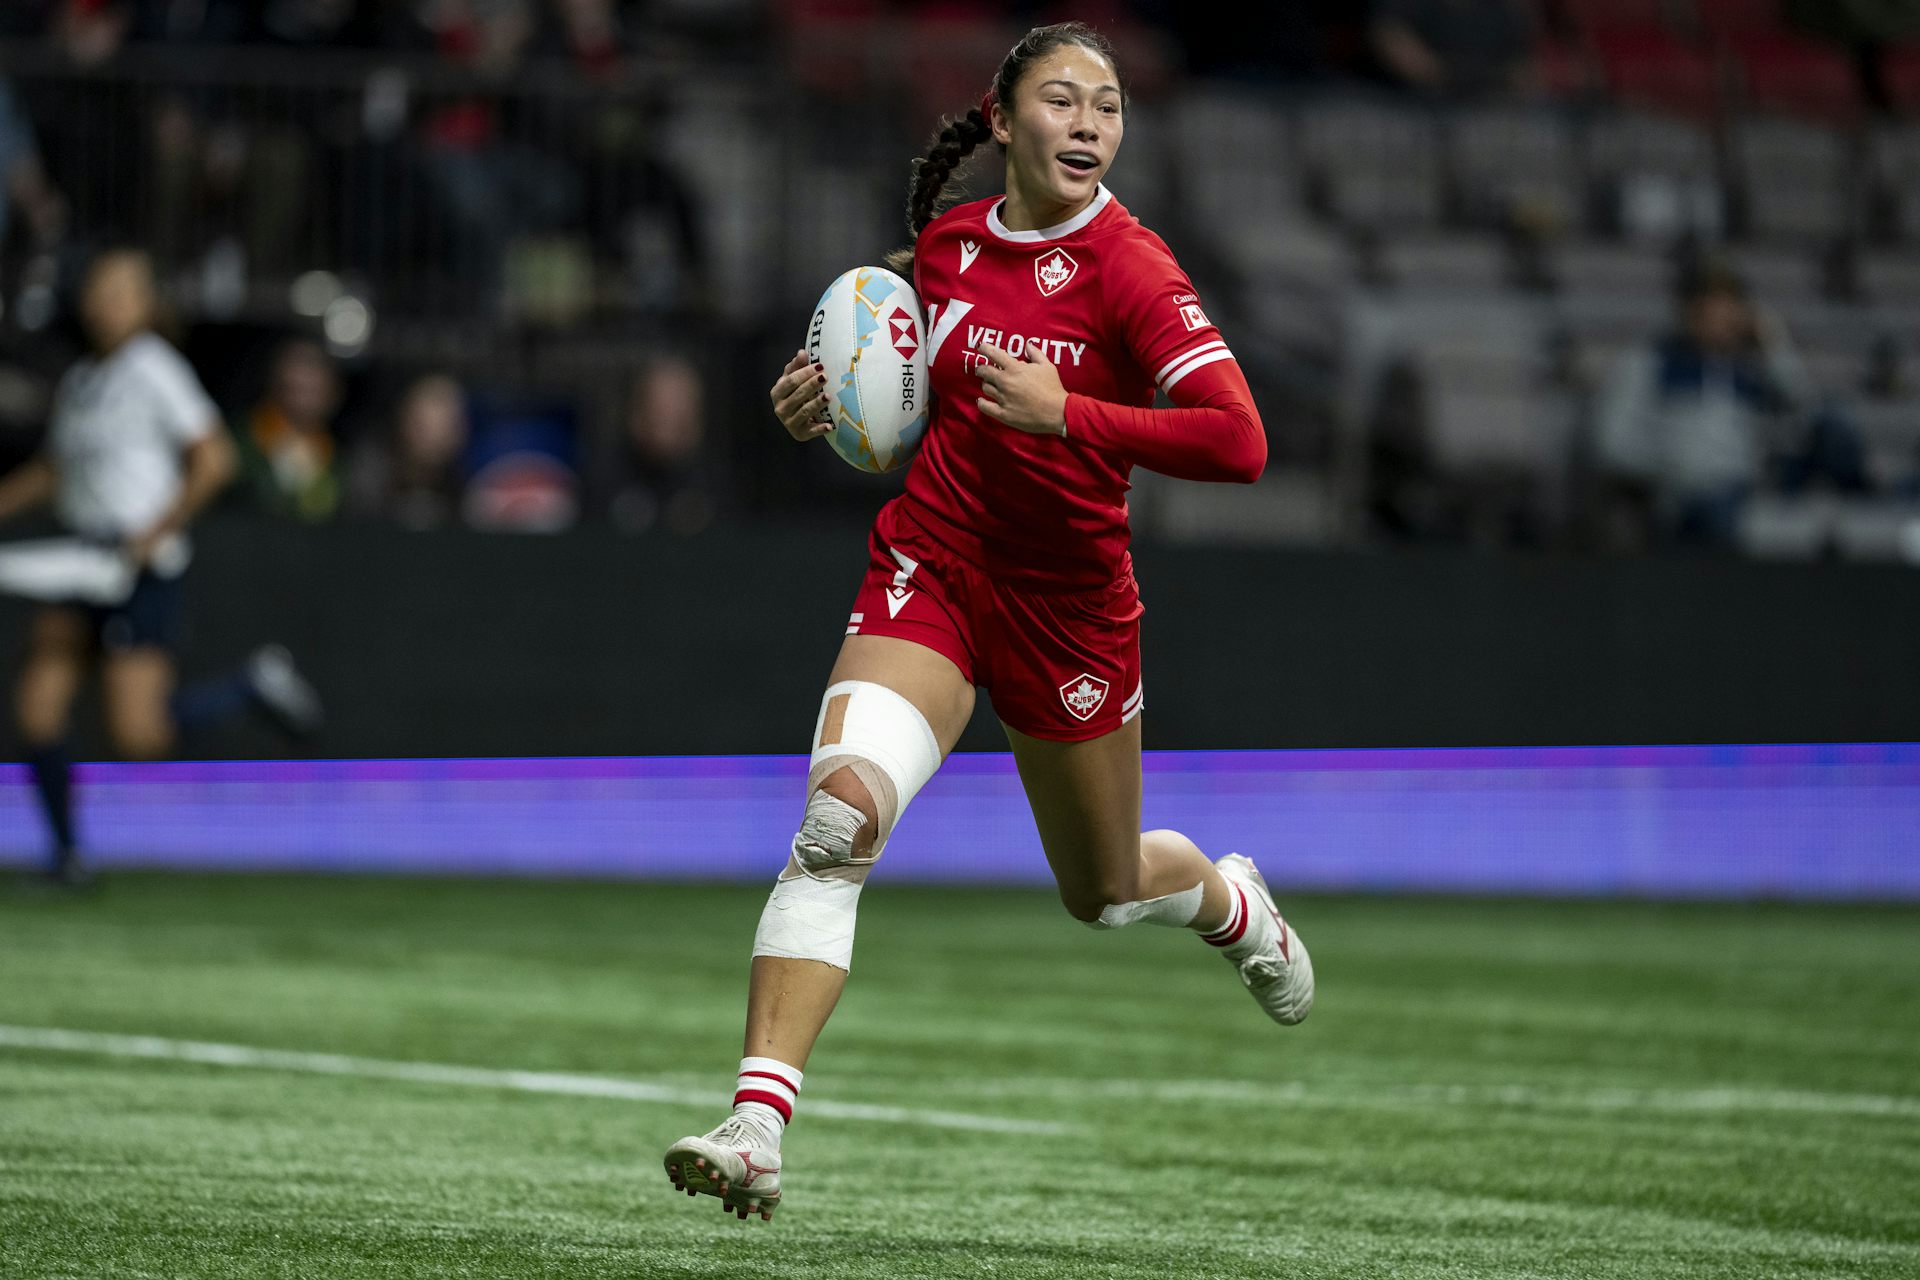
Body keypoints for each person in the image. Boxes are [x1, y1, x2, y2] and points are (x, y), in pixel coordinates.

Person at [662, 22, 1314, 1223]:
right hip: (937, 565)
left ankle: (1229, 902)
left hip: (1071, 611)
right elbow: (891, 395)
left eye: (1107, 106)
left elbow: (1242, 440)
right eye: (1061, 100)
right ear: (1003, 121)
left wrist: (1076, 414)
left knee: (1107, 890)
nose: (1087, 123)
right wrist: (823, 408)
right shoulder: (949, 249)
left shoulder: (1134, 269)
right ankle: (757, 1122)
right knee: (835, 818)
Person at [0, 249, 322, 888]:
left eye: (122, 292)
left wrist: (159, 529)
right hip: (83, 562)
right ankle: (67, 858)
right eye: (100, 289)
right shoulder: (84, 381)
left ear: (147, 303)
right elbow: (56, 470)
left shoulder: (154, 368)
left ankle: (250, 686)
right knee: (38, 708)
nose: (106, 303)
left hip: (138, 568)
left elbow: (215, 459)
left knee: (139, 737)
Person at [1593, 258, 1860, 549]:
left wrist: (1776, 347)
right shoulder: (1653, 362)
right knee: (1728, 518)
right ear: (1691, 313)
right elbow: (1612, 442)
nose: (1724, 321)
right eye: (1713, 311)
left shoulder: (1754, 368)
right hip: (1683, 496)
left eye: (1732, 310)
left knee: (1834, 426)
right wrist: (1672, 469)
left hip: (1752, 491)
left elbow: (1805, 417)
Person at [237, 337, 344, 522]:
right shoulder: (243, 441)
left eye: (313, 388)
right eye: (295, 388)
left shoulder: (336, 457)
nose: (303, 378)